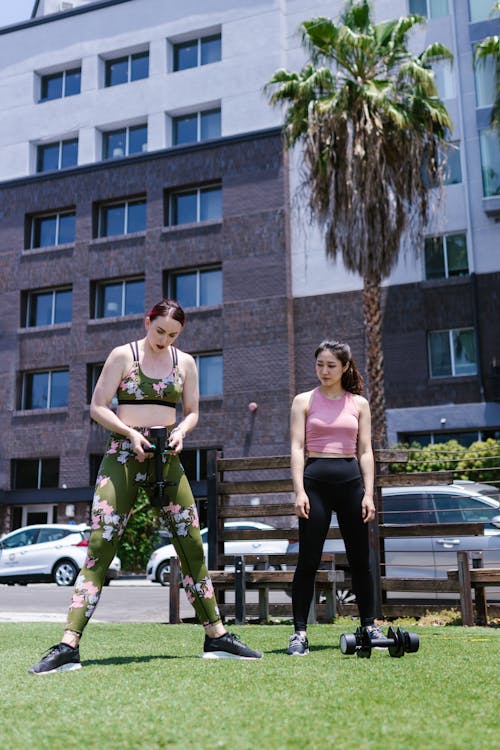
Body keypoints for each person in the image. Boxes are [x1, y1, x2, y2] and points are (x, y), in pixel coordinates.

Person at [29, 299, 262, 674]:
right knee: (101, 545)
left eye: (173, 335)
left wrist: (183, 433)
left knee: (190, 545)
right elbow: (98, 406)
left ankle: (216, 636)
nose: (164, 340)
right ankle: (68, 644)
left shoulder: (185, 363)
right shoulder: (123, 355)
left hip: (166, 457)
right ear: (147, 321)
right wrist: (129, 433)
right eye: (160, 332)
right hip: (123, 455)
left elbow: (193, 412)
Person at [286, 340, 383, 656]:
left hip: (351, 484)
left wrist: (368, 493)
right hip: (315, 484)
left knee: (360, 559)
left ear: (344, 367)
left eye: (331, 365)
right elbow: (297, 448)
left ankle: (369, 626)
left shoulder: (359, 404)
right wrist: (299, 490)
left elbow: (365, 451)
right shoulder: (303, 401)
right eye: (319, 365)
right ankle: (299, 633)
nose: (324, 371)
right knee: (308, 560)